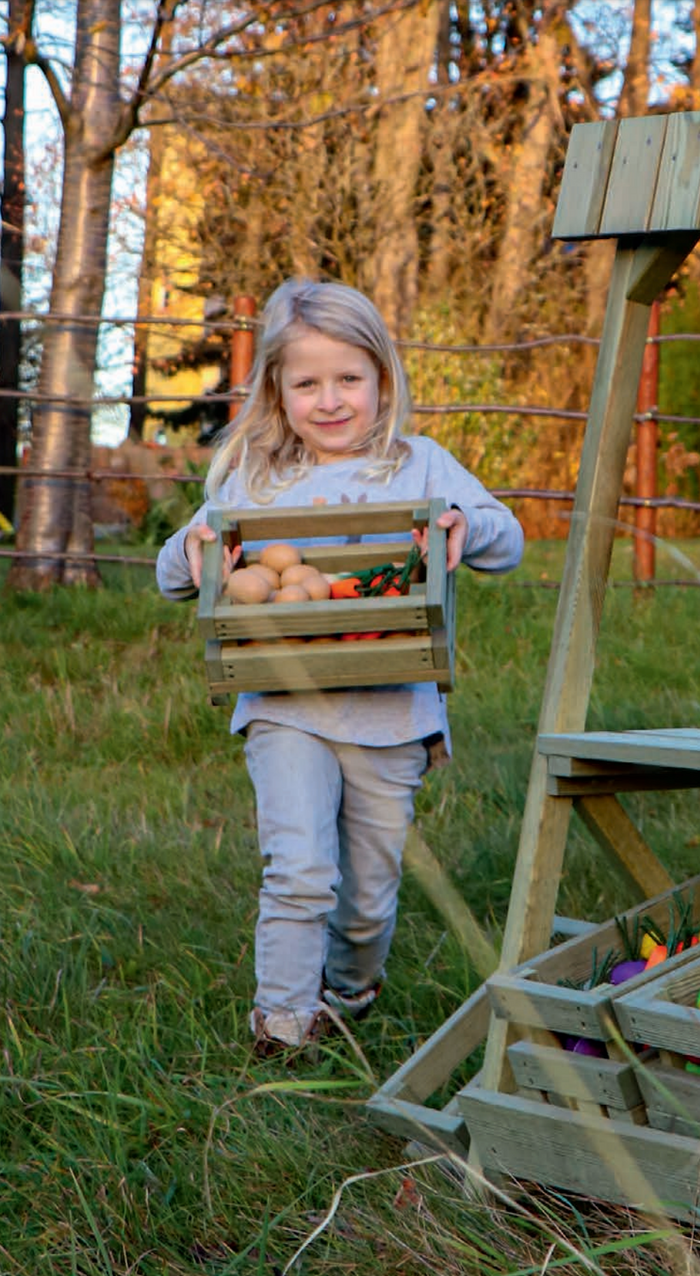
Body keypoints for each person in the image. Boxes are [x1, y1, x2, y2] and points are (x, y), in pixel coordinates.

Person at [157, 278, 524, 1056]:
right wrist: (196, 552)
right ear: (278, 391)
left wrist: (462, 527)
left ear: (382, 379)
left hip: (390, 710)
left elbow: (508, 536)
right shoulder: (252, 475)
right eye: (308, 382)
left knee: (365, 900)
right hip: (282, 702)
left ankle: (349, 989)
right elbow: (171, 568)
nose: (330, 399)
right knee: (299, 869)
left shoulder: (419, 464)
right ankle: (283, 1024)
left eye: (349, 379)